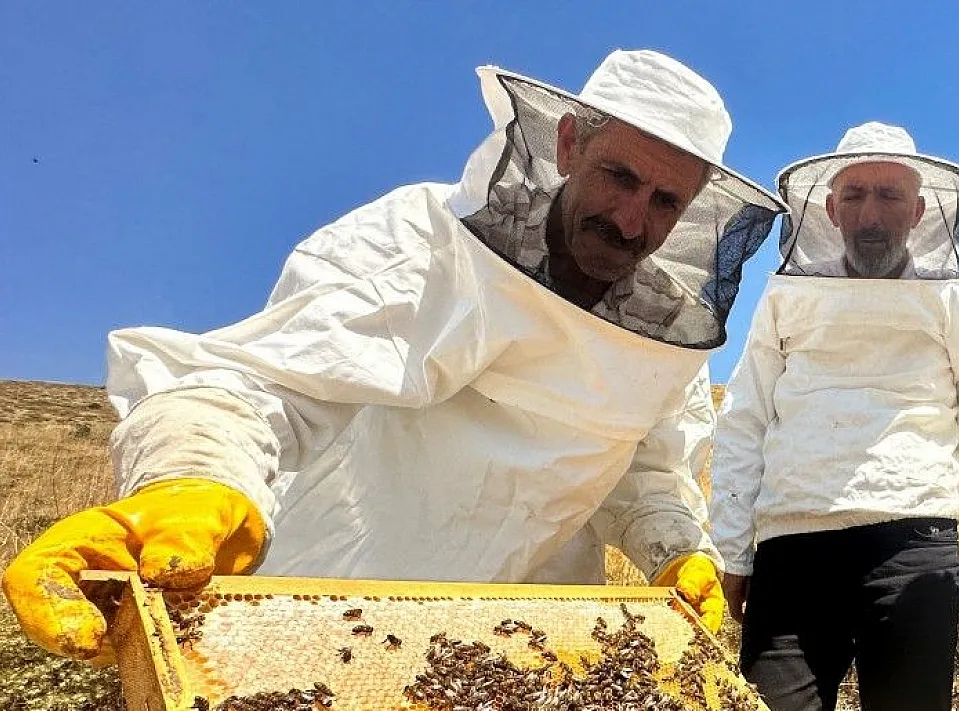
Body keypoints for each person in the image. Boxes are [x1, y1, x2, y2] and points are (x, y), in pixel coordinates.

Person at [4, 50, 786, 664]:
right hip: (334, 609)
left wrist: (673, 549)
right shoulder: (423, 239)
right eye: (620, 176)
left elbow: (645, 471)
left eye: (664, 202)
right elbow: (264, 379)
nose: (630, 218)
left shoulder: (669, 333)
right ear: (570, 143)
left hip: (526, 644)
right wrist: (194, 476)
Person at [710, 123, 959, 711]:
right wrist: (733, 550)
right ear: (831, 208)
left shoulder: (956, 298)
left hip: (915, 547)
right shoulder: (786, 293)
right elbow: (745, 415)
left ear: (918, 210)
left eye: (889, 195)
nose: (872, 212)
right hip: (793, 549)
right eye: (856, 194)